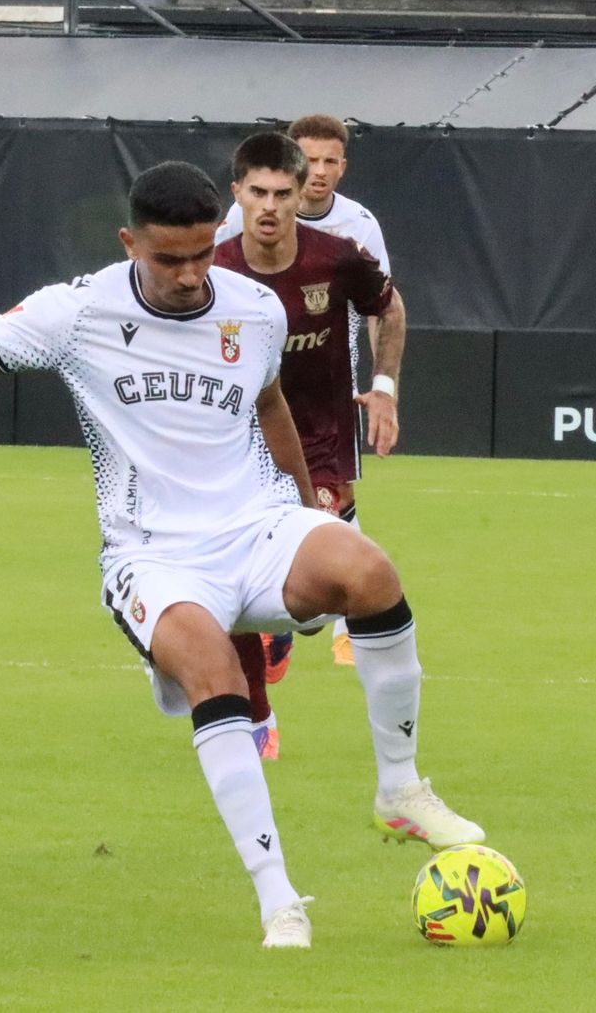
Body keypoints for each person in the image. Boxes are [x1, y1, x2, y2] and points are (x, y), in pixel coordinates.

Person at [0, 161, 482, 948]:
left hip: (256, 523)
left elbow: (268, 399)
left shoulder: (252, 307)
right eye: (169, 257)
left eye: (204, 253)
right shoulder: (76, 312)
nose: (189, 273)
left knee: (369, 569)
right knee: (216, 672)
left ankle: (400, 786)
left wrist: (310, 509)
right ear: (130, 241)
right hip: (155, 554)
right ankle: (280, 901)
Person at [215, 131, 408, 759]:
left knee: (316, 598)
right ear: (237, 193)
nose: (269, 206)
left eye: (283, 193)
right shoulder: (214, 268)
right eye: (258, 193)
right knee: (237, 589)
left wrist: (383, 387)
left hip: (320, 445)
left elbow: (390, 305)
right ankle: (257, 717)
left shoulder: (338, 257)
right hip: (239, 449)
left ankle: (290, 633)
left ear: (303, 196)